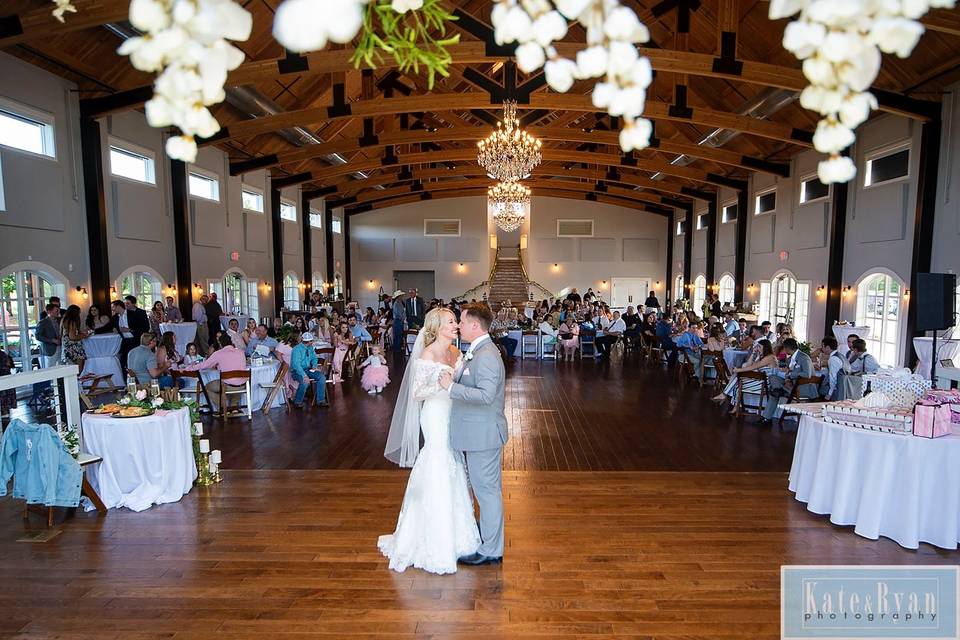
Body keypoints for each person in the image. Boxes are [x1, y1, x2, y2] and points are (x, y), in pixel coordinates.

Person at [379, 307, 483, 574]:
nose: (456, 325)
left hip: (454, 413)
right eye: (451, 322)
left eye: (455, 322)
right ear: (436, 328)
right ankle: (433, 541)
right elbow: (417, 392)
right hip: (436, 414)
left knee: (454, 463)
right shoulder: (428, 354)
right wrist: (441, 382)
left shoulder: (458, 352)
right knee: (438, 460)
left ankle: (459, 536)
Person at [760, 338, 818, 424]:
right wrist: (787, 379)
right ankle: (777, 390)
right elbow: (787, 372)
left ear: (787, 348)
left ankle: (766, 418)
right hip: (792, 386)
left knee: (774, 393)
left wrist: (791, 374)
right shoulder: (790, 359)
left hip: (803, 388)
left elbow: (807, 374)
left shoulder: (804, 358)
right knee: (773, 377)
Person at [183, 333, 247, 410]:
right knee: (235, 382)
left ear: (220, 343)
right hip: (242, 385)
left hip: (227, 386)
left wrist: (189, 368)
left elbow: (204, 365)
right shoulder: (241, 352)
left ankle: (223, 407)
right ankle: (233, 408)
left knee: (207, 387)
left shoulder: (219, 353)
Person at [288, 330, 328, 409]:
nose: (312, 342)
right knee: (305, 381)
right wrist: (304, 375)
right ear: (308, 341)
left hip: (308, 369)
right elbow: (296, 365)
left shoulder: (310, 348)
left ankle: (320, 400)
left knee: (322, 377)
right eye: (311, 341)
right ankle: (297, 401)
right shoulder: (296, 349)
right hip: (297, 371)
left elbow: (314, 358)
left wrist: (314, 365)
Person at [59, 304, 88, 373]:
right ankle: (77, 383)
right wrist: (84, 336)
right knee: (78, 370)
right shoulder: (71, 321)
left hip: (67, 348)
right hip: (74, 348)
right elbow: (72, 337)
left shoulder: (64, 320)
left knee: (70, 370)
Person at [35, 303, 61, 368]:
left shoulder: (60, 320)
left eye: (58, 311)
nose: (58, 313)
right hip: (51, 348)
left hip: (61, 346)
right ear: (49, 311)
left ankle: (60, 378)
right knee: (51, 367)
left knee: (61, 366)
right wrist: (52, 340)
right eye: (56, 311)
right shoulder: (43, 322)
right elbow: (38, 336)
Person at [391, 290, 407, 355]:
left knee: (398, 335)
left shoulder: (397, 302)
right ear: (399, 296)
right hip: (398, 321)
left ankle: (397, 349)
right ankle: (397, 350)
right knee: (398, 335)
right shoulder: (398, 303)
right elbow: (399, 314)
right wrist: (403, 318)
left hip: (398, 321)